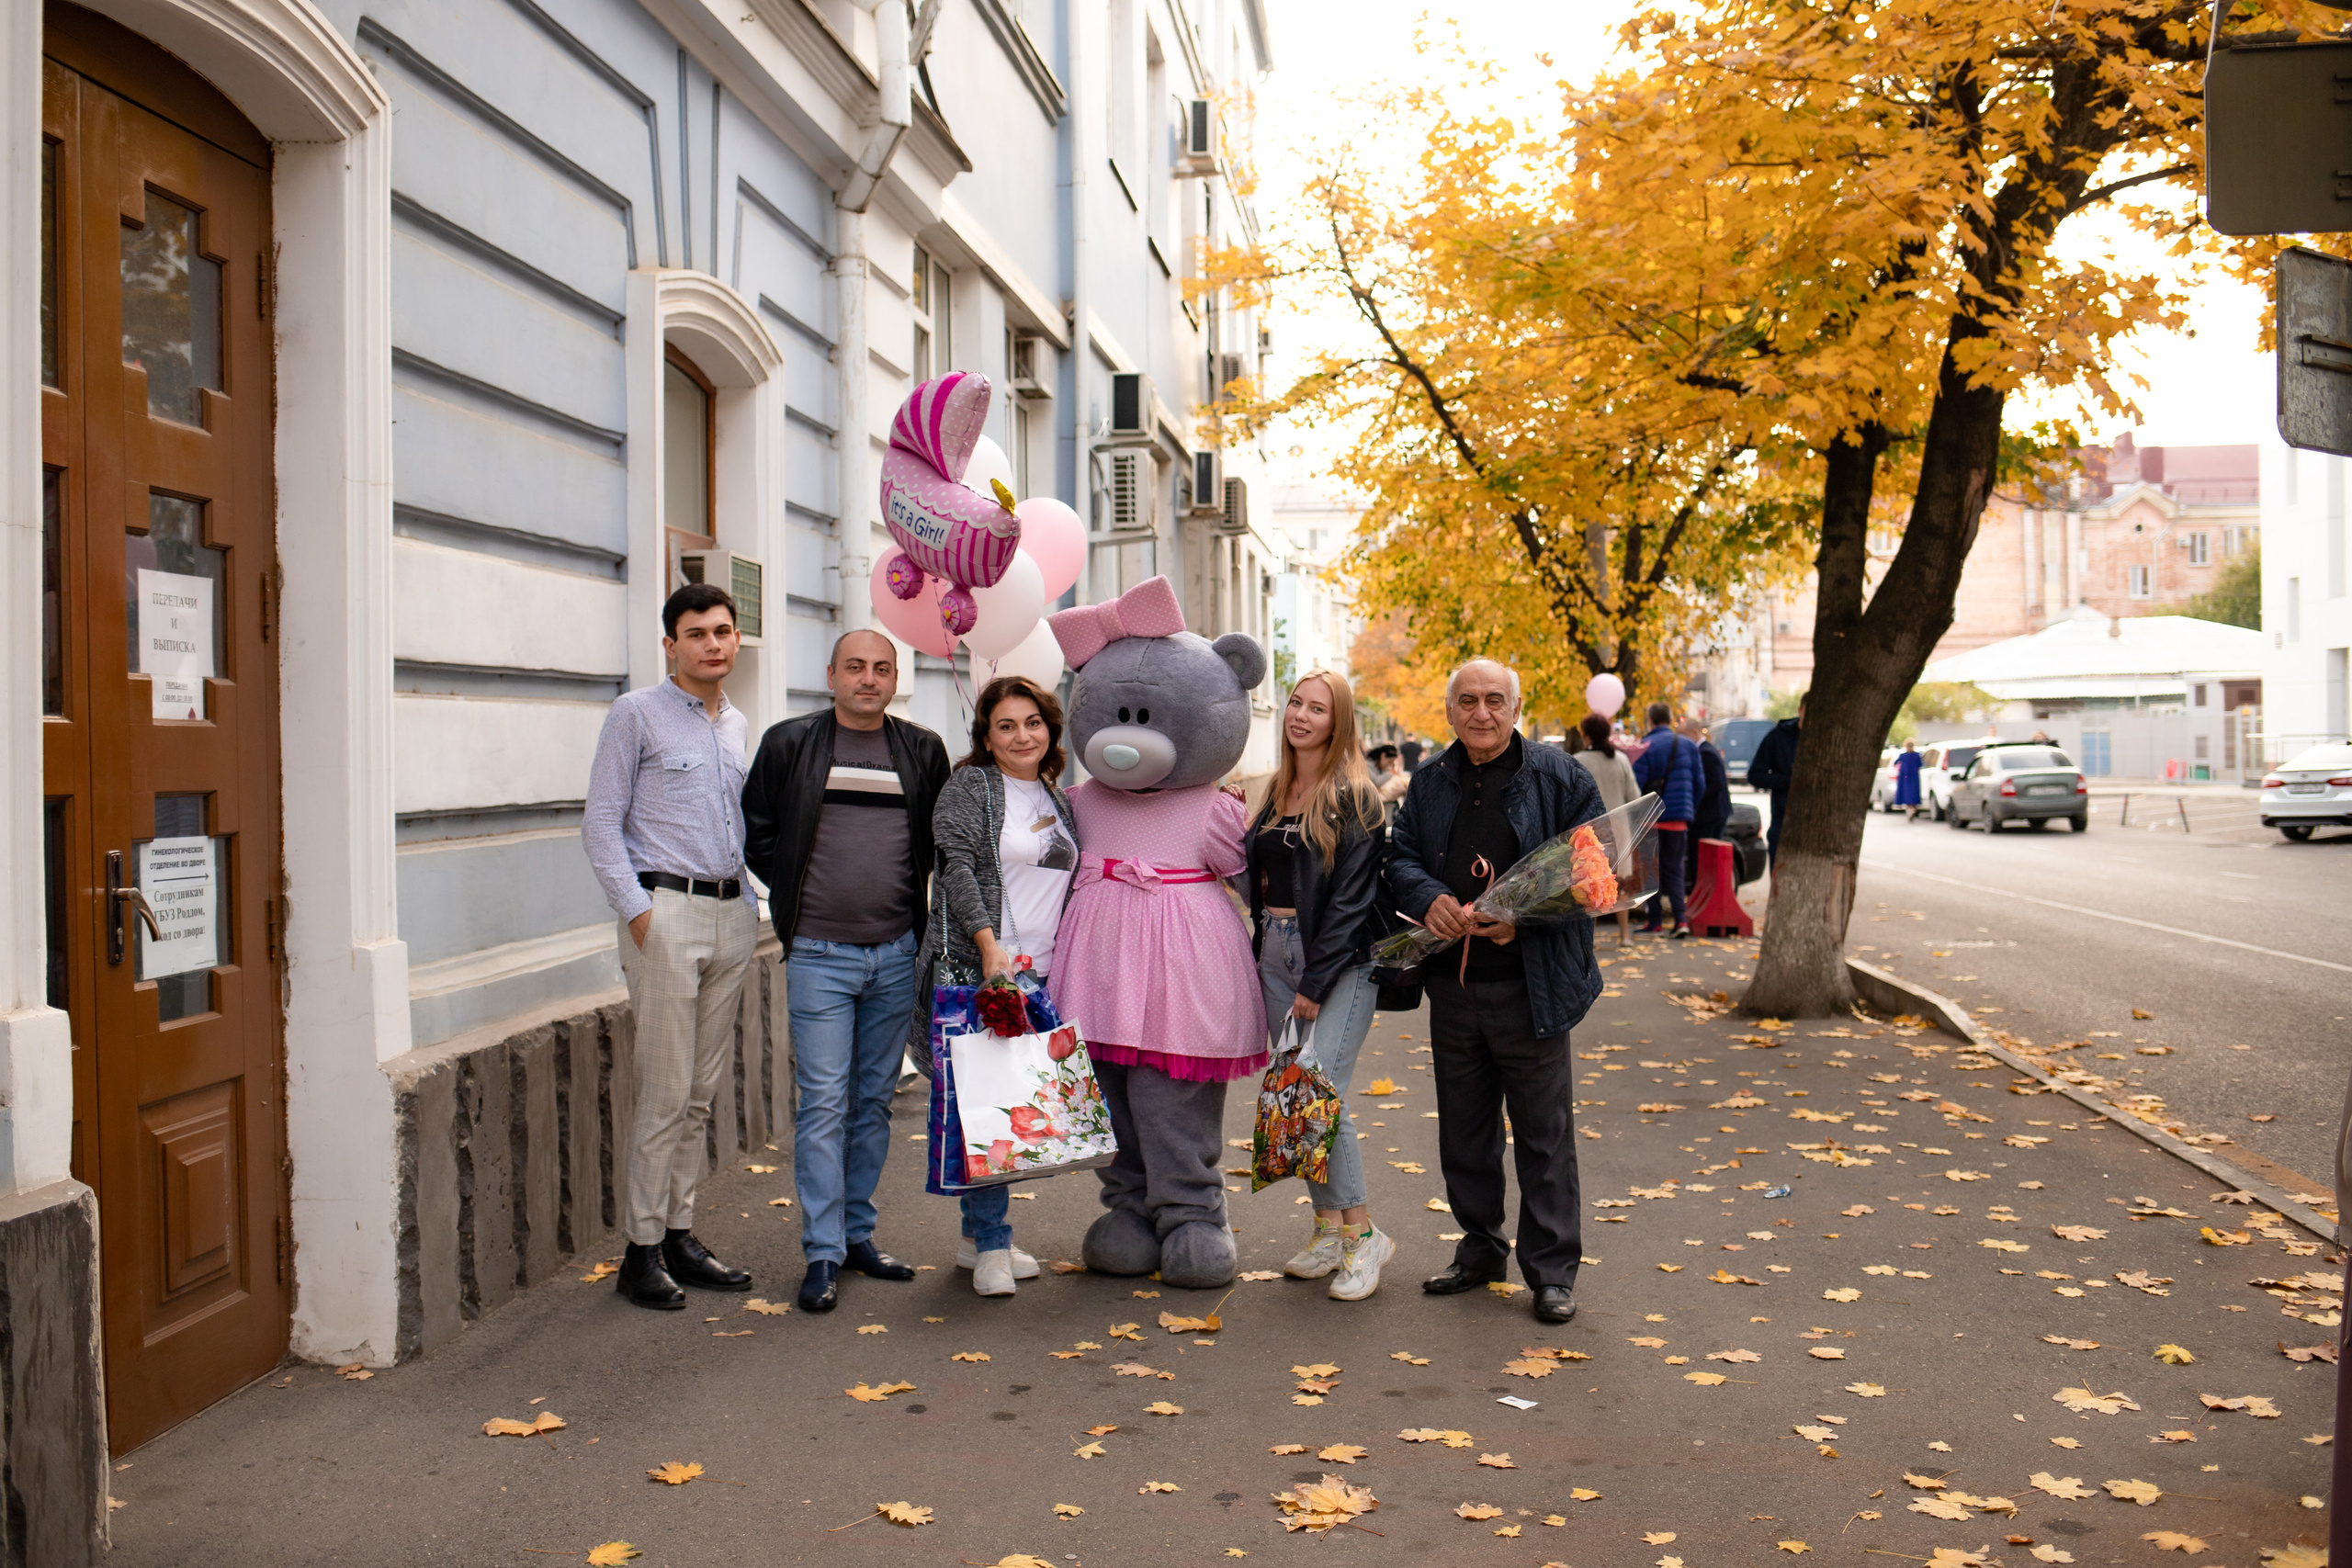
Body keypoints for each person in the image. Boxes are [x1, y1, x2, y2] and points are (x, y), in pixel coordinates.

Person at [1385, 658, 1602, 1325]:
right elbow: (1401, 858)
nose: (1482, 713)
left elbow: (1597, 874)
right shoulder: (1428, 782)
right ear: (1450, 710)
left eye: (1495, 700)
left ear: (1517, 706)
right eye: (1468, 701)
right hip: (1454, 988)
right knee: (1466, 1133)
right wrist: (1429, 899)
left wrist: (1524, 919)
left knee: (1544, 1135)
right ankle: (1480, 1247)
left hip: (1532, 987)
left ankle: (1553, 1270)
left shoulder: (1561, 777)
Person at [742, 628, 950, 1314]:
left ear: (897, 679)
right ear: (830, 673)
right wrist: (800, 905)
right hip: (820, 955)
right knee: (825, 1101)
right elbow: (760, 830)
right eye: (855, 666)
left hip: (895, 952)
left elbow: (937, 848)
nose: (868, 678)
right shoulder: (790, 744)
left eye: (882, 668)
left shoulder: (921, 751)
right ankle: (822, 1250)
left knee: (872, 1101)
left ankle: (858, 1235)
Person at [582, 583, 761, 1310]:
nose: (712, 644)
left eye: (723, 631)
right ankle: (641, 1247)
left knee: (698, 1093)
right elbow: (600, 824)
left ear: (737, 639)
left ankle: (679, 1232)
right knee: (663, 1091)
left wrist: (753, 901)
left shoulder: (737, 724)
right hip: (667, 914)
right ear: (670, 645)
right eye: (696, 634)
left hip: (732, 914)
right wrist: (639, 913)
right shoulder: (636, 714)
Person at [910, 676, 1079, 1297]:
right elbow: (954, 867)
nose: (1021, 735)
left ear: (1049, 728)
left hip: (1041, 970)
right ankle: (992, 1242)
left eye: (1031, 722)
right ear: (987, 735)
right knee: (987, 1106)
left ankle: (976, 1236)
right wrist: (989, 947)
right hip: (981, 968)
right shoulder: (971, 786)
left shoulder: (1058, 799)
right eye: (1005, 725)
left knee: (1018, 1104)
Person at [1249, 671, 1392, 1300]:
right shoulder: (1276, 788)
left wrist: (1314, 979)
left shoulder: (1354, 794)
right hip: (1274, 954)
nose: (1301, 715)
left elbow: (1351, 903)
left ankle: (1364, 1237)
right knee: (1296, 1091)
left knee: (1320, 1088)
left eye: (1318, 708)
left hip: (1336, 961)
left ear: (1339, 722)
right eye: (1297, 703)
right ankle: (1328, 1228)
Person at [1566, 714, 1639, 948]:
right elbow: (1635, 796)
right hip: (1619, 830)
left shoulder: (1577, 761)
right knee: (1620, 884)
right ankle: (1625, 935)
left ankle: (1591, 939)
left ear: (1586, 735)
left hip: (1589, 833)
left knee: (1591, 885)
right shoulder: (1621, 760)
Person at [1633, 702, 1701, 939]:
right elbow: (1699, 783)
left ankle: (1655, 922)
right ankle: (1681, 920)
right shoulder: (1689, 746)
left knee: (1650, 872)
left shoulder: (1645, 745)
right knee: (1675, 870)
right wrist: (1687, 809)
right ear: (1670, 719)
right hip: (1678, 820)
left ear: (1650, 720)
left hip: (1651, 820)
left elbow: (1637, 786)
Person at [1748, 695, 1804, 865]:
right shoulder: (1779, 736)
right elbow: (1755, 775)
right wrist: (1788, 781)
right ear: (1800, 710)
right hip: (1783, 820)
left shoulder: (1827, 738)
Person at [1680, 717, 1733, 893]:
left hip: (1709, 815)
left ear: (1695, 733)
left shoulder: (1705, 753)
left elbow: (1715, 784)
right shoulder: (1706, 750)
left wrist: (1695, 796)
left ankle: (1703, 894)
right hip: (1713, 813)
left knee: (1703, 858)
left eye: (1684, 735)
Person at [1894, 739, 1925, 821]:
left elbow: (1920, 765)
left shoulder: (1915, 755)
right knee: (1908, 794)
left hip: (1911, 777)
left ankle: (1911, 809)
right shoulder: (1904, 756)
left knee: (1911, 794)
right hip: (1906, 777)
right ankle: (1910, 809)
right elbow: (1895, 763)